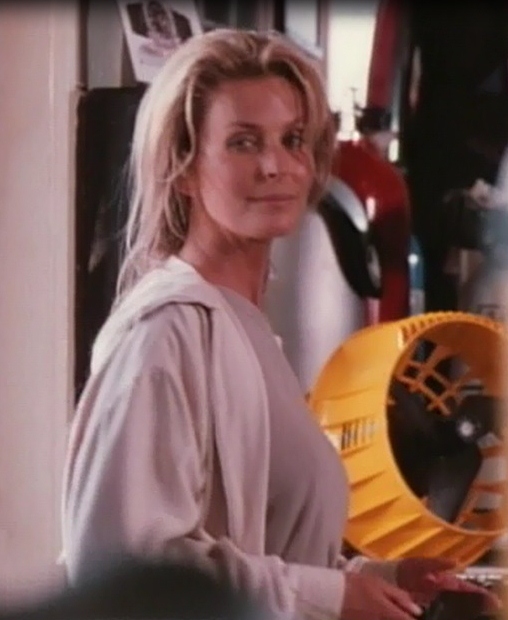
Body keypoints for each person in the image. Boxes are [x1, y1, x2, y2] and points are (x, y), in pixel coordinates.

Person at [62, 28, 498, 620]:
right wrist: (335, 597)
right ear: (183, 167)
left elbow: (270, 554)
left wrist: (379, 579)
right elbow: (124, 576)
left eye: (293, 140)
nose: (276, 165)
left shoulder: (247, 329)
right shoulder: (167, 332)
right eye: (243, 142)